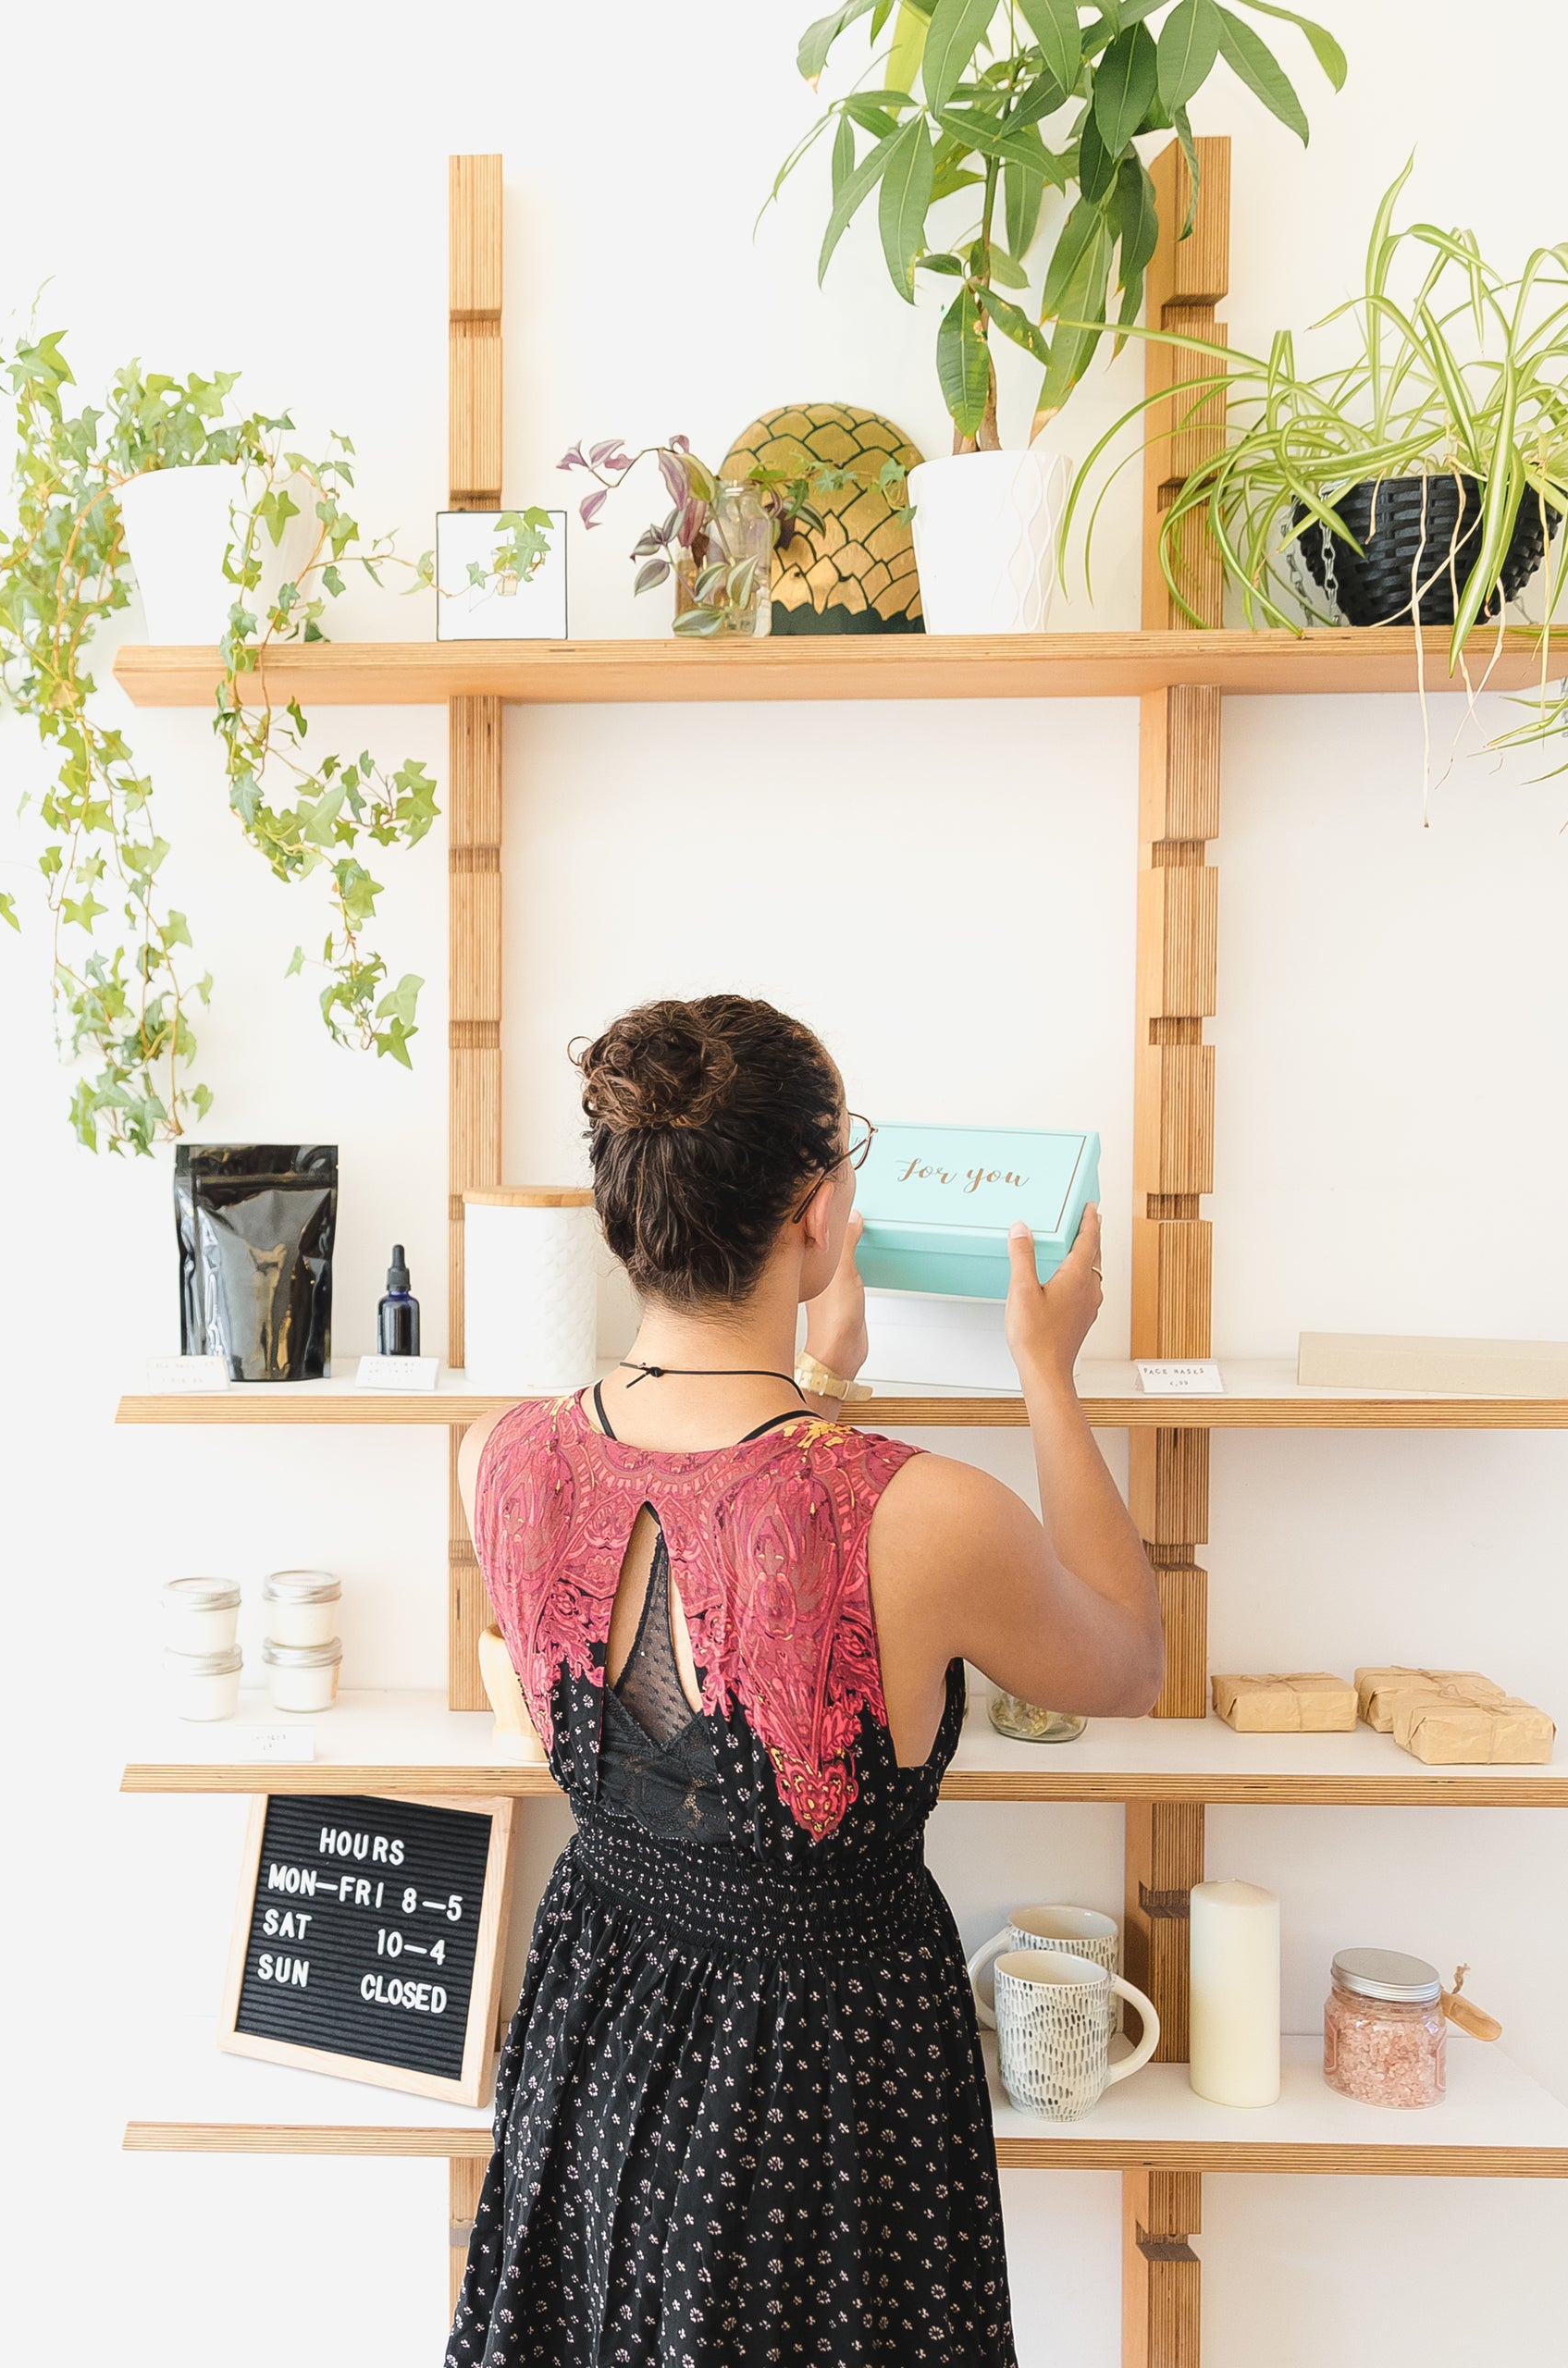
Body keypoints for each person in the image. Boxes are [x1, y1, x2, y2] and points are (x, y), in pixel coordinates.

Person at [446, 993, 1162, 2368]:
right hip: (817, 2068)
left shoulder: (501, 1459)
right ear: (820, 1213)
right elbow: (1125, 1659)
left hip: (599, 2008)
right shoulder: (922, 1513)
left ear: (625, 1216)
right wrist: (1045, 1372)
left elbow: (707, 1515)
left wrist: (820, 1371)